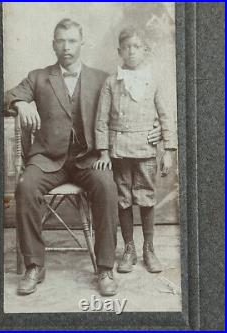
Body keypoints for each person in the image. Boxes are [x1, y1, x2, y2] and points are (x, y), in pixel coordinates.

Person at [5, 19, 162, 296]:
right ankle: (34, 265)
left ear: (81, 43)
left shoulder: (102, 78)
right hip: (47, 160)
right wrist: (19, 102)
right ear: (53, 44)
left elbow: (136, 104)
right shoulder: (38, 77)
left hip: (89, 160)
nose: (66, 47)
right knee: (25, 186)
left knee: (107, 186)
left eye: (72, 41)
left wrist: (157, 127)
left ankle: (104, 268)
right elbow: (2, 98)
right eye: (61, 41)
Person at [94, 27, 177, 274]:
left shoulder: (154, 80)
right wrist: (103, 152)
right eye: (127, 47)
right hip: (119, 150)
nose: (131, 51)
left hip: (146, 149)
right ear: (119, 51)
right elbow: (101, 120)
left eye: (136, 47)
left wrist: (169, 148)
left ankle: (148, 248)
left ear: (146, 50)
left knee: (146, 196)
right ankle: (129, 248)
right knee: (124, 198)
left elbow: (165, 116)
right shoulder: (111, 81)